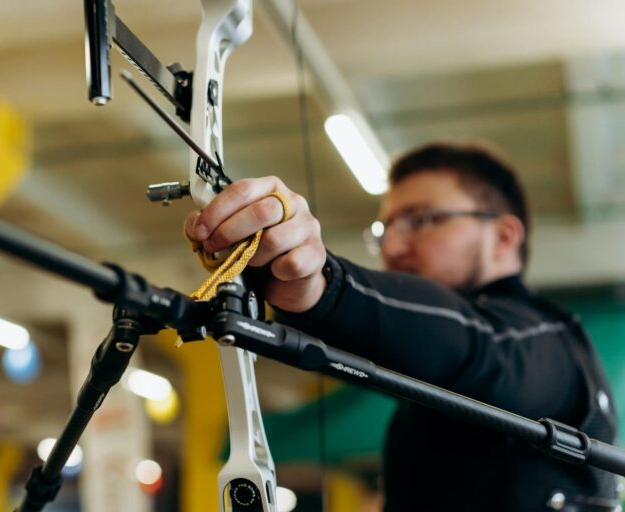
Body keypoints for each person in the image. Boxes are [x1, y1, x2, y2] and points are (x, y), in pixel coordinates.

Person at [184, 143, 619, 511]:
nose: (392, 246)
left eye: (423, 219)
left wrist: (321, 285)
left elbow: (472, 341)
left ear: (504, 236)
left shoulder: (545, 342)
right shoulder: (435, 384)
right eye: (386, 228)